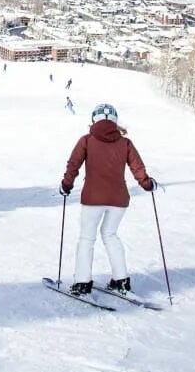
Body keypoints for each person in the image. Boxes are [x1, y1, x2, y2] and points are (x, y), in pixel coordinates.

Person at [60, 102, 156, 297]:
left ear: (94, 119)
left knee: (87, 238)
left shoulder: (86, 140)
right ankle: (121, 280)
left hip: (93, 198)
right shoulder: (125, 142)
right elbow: (137, 167)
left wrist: (66, 185)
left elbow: (73, 165)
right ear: (114, 120)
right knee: (110, 235)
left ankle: (82, 282)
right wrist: (146, 183)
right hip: (119, 199)